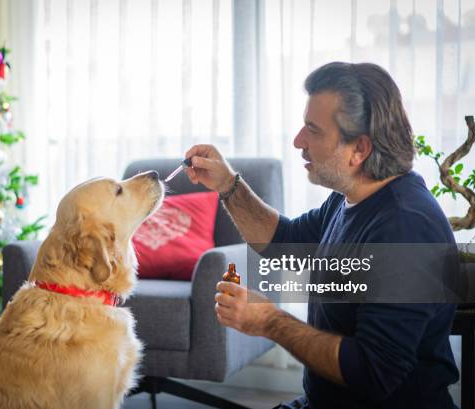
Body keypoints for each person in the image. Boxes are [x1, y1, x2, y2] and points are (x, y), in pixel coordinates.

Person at [184, 62, 459, 409]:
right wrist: (227, 184)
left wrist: (270, 322)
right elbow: (285, 244)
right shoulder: (351, 198)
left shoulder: (405, 228)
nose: (298, 140)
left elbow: (374, 373)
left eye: (313, 130)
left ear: (359, 149)